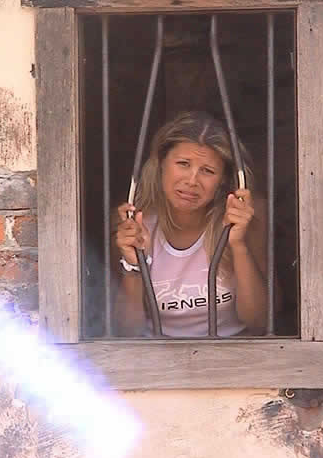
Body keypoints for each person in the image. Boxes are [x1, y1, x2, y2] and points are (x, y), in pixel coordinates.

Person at [114, 110, 267, 337]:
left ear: (223, 180)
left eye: (208, 171)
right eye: (183, 164)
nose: (192, 181)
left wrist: (238, 245)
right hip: (155, 353)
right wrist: (133, 265)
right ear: (161, 164)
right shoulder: (134, 223)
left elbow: (259, 322)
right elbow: (126, 331)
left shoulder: (244, 218)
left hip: (231, 350)